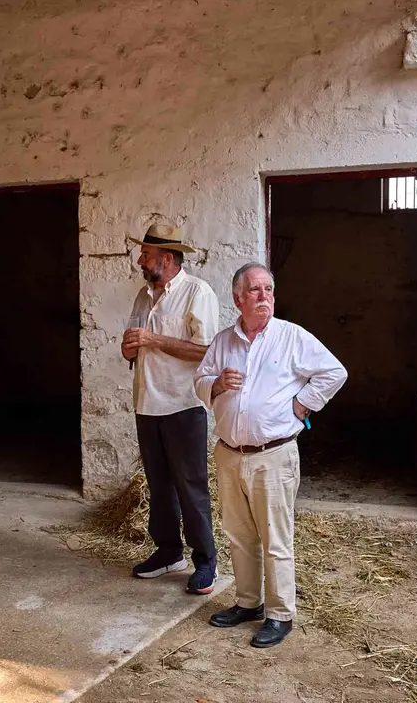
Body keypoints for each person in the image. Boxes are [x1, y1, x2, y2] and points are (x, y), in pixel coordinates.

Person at [194, 263, 347, 648]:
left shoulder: (291, 337)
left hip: (273, 455)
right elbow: (198, 381)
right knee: (239, 534)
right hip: (230, 453)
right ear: (237, 298)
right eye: (255, 290)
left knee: (276, 538)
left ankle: (280, 614)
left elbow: (334, 372)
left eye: (268, 289)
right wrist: (215, 384)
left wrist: (302, 405)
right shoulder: (224, 341)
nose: (263, 296)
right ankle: (248, 603)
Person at [122, 223, 220, 594]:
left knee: (190, 485)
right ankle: (167, 552)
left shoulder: (198, 293)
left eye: (145, 255)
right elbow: (131, 345)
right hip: (147, 402)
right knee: (158, 483)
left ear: (166, 259)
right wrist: (130, 348)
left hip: (183, 403)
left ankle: (205, 562)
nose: (140, 260)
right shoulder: (143, 297)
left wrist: (154, 339)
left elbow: (207, 351)